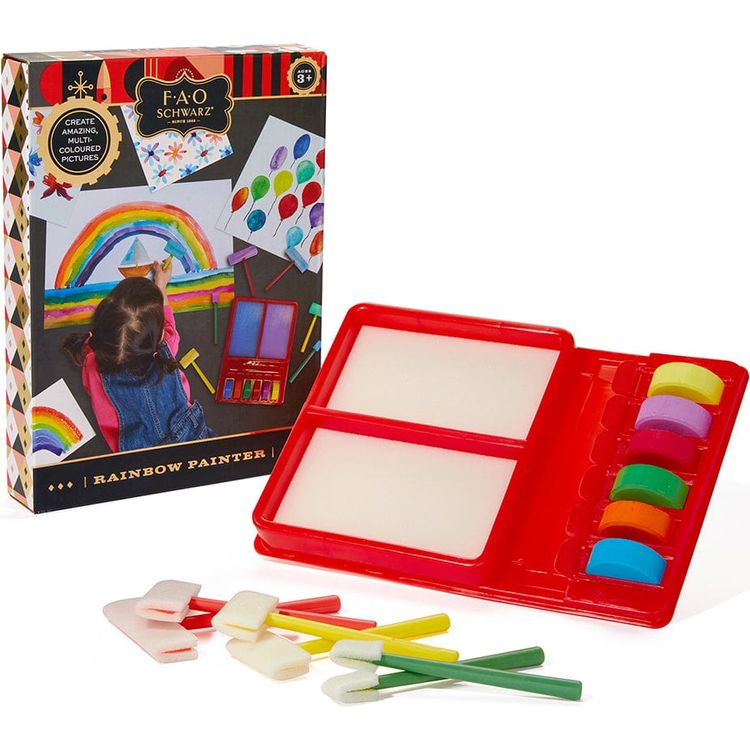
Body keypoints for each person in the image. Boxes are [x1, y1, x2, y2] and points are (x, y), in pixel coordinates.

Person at [61, 261, 213, 452]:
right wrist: (161, 285)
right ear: (160, 336)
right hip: (191, 441)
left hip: (139, 457)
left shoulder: (92, 365)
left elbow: (91, 386)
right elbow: (169, 326)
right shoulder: (166, 346)